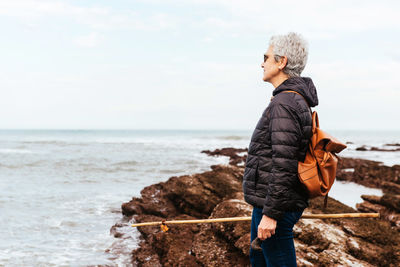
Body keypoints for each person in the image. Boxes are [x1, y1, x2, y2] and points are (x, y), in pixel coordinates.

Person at [242, 32, 319, 267]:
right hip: (269, 202)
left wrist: (271, 215)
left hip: (275, 206)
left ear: (281, 62)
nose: (262, 62)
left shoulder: (285, 103)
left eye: (266, 57)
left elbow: (283, 163)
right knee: (259, 260)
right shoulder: (292, 100)